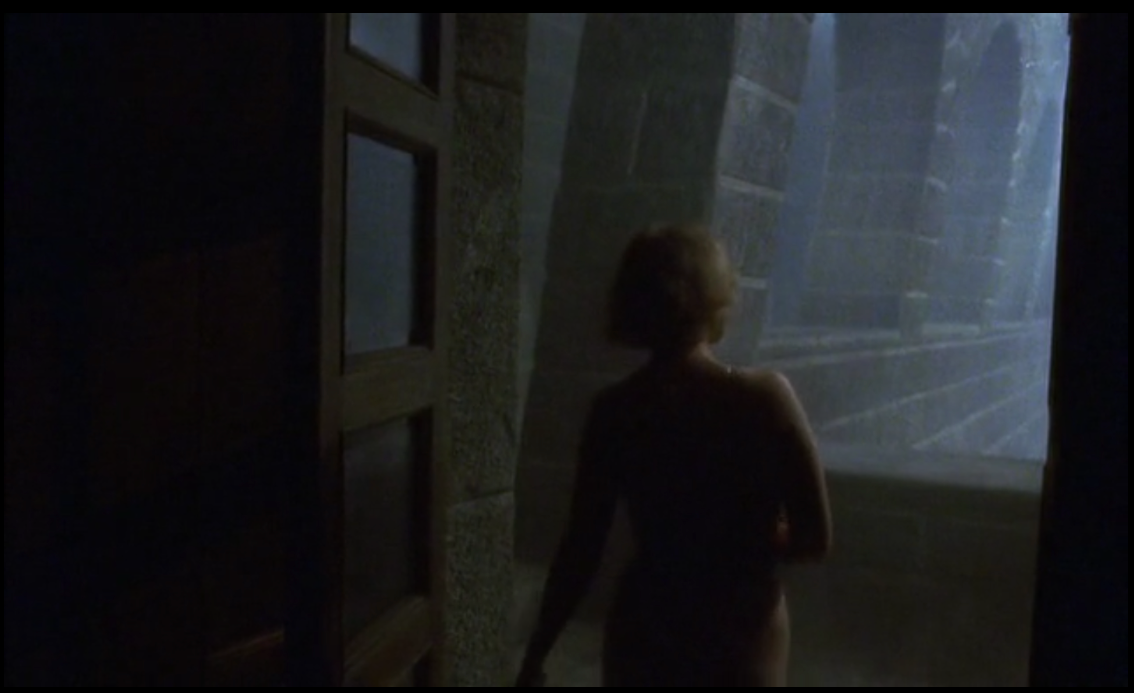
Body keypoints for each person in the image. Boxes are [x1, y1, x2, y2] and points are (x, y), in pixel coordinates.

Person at [514, 223, 832, 687]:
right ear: (714, 298)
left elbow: (581, 550)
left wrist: (536, 653)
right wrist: (760, 535)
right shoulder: (765, 398)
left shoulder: (615, 411)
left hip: (647, 627)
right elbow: (814, 538)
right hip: (739, 632)